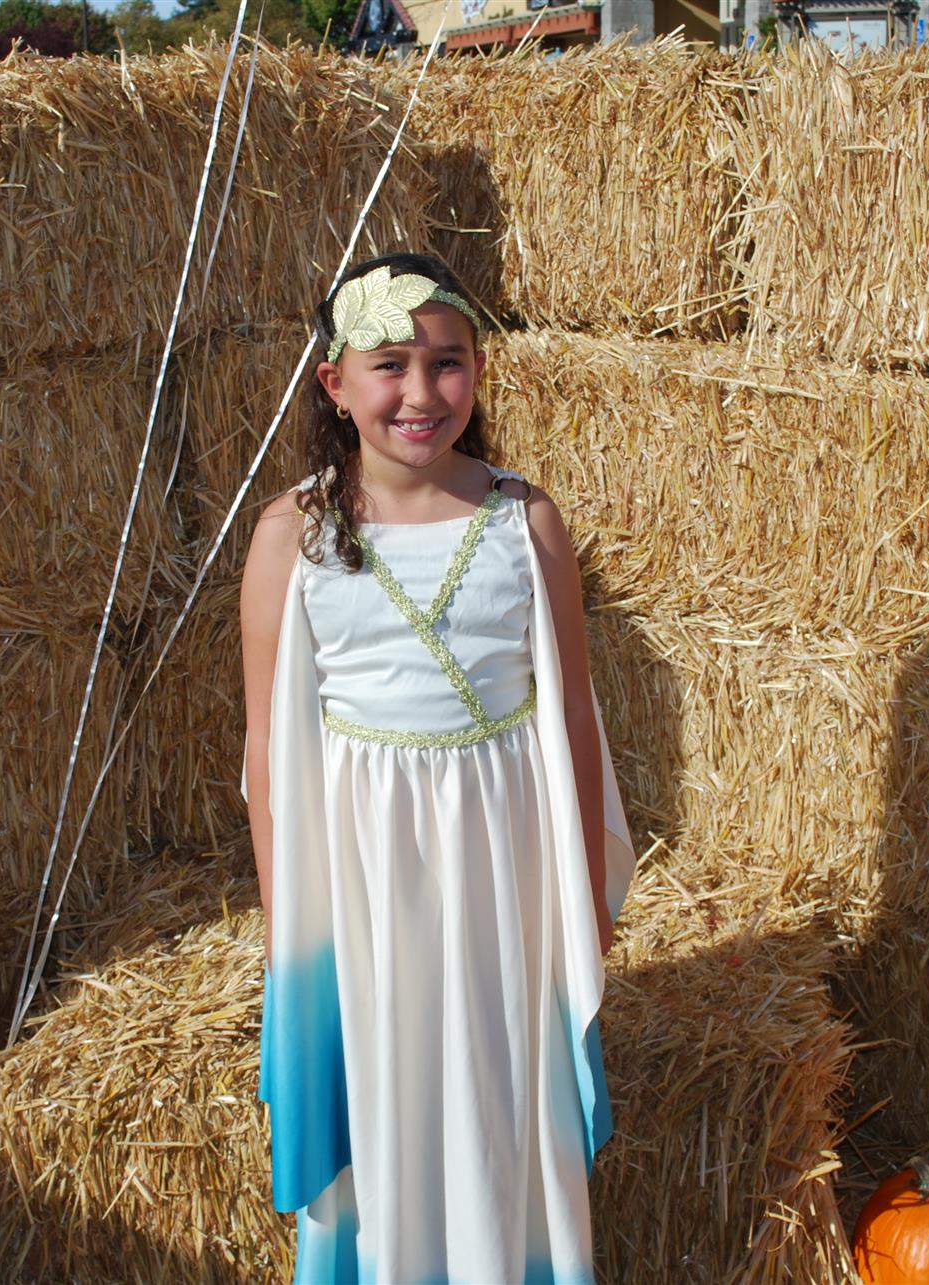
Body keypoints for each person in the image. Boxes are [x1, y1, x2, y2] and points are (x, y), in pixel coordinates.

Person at [238, 251, 636, 1283]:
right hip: (366, 884)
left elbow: (575, 717)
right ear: (333, 381)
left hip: (500, 870)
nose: (421, 393)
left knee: (499, 1089)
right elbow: (266, 750)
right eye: (390, 365)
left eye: (448, 363)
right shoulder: (296, 538)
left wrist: (587, 893)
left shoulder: (524, 522)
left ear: (480, 370)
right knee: (388, 1091)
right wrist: (292, 927)